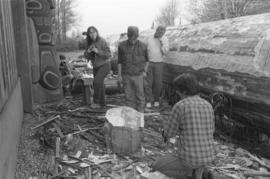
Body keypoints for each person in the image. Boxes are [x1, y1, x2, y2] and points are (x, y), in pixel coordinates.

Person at [152, 73, 215, 179]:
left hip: (189, 159)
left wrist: (163, 131)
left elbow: (169, 133)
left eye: (178, 89)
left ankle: (191, 174)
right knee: (186, 155)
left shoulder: (180, 106)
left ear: (184, 91)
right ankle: (200, 171)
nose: (176, 92)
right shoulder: (208, 105)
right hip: (208, 156)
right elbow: (210, 131)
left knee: (157, 165)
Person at [118, 26, 149, 112]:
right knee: (129, 97)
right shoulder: (121, 46)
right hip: (126, 75)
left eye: (134, 38)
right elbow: (119, 62)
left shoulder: (143, 46)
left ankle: (140, 115)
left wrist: (145, 71)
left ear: (137, 36)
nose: (132, 40)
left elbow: (147, 60)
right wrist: (119, 75)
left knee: (140, 96)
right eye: (130, 37)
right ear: (128, 36)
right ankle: (131, 115)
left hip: (138, 75)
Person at [84, 26, 111, 108]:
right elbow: (87, 56)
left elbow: (108, 54)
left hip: (105, 65)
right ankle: (102, 104)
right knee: (100, 85)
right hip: (96, 67)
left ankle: (96, 102)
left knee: (96, 82)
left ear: (97, 32)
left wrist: (97, 51)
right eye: (90, 33)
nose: (92, 34)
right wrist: (88, 52)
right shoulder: (88, 43)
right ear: (88, 34)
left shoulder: (102, 41)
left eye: (94, 32)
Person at [144, 25, 169, 108]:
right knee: (148, 83)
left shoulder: (165, 39)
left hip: (159, 63)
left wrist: (161, 41)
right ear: (156, 30)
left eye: (163, 32)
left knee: (158, 83)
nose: (161, 33)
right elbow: (144, 49)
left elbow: (165, 52)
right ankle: (148, 100)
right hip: (149, 63)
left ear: (164, 32)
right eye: (159, 31)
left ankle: (156, 100)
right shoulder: (149, 38)